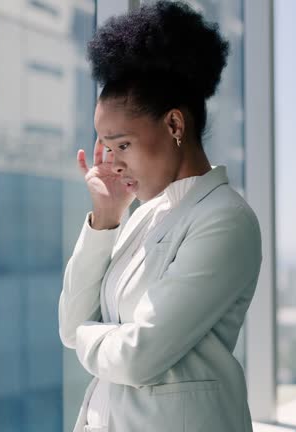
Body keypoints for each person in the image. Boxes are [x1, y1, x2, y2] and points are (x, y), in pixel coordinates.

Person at [58, 2, 262, 431]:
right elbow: (70, 322)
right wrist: (107, 217)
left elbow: (137, 357)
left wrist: (87, 335)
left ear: (174, 125)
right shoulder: (144, 217)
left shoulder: (225, 220)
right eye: (106, 148)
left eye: (123, 145)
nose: (112, 163)